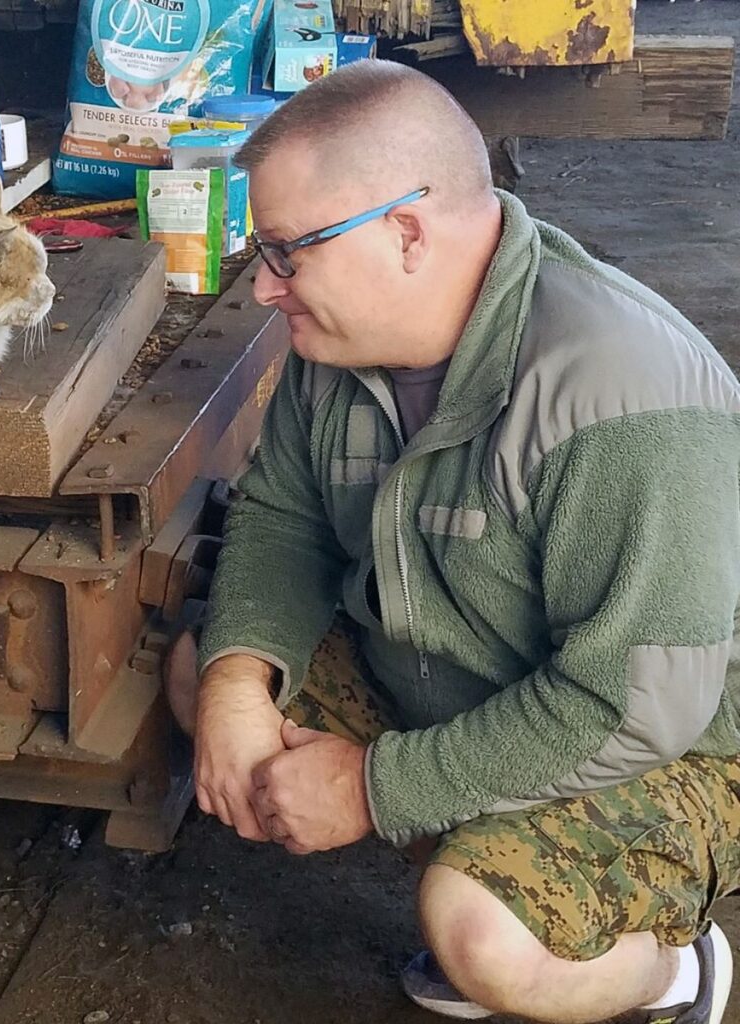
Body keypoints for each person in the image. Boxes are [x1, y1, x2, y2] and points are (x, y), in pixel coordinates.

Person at [163, 59, 740, 1024]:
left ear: (406, 233)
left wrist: (372, 790)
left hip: (666, 744)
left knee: (479, 934)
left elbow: (627, 707)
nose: (264, 288)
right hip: (457, 674)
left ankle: (678, 975)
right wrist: (234, 683)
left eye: (285, 253)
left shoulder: (620, 394)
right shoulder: (339, 345)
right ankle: (486, 850)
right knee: (201, 675)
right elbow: (284, 520)